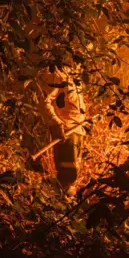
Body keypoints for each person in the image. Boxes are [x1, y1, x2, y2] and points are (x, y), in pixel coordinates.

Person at [34, 67, 86, 196]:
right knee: (68, 174)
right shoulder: (55, 76)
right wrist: (56, 124)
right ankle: (54, 201)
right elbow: (44, 102)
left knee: (73, 173)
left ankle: (63, 202)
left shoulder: (73, 75)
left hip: (78, 129)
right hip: (66, 131)